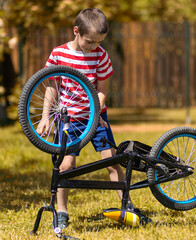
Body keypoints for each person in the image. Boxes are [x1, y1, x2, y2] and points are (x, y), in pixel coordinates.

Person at [36, 8, 151, 229]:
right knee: (66, 164)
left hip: (95, 117)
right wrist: (44, 117)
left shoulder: (100, 55)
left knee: (112, 161)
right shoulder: (59, 54)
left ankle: (127, 205)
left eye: (99, 42)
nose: (94, 47)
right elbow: (52, 87)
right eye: (90, 42)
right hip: (68, 119)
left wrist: (96, 114)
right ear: (76, 31)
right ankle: (62, 211)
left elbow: (101, 90)